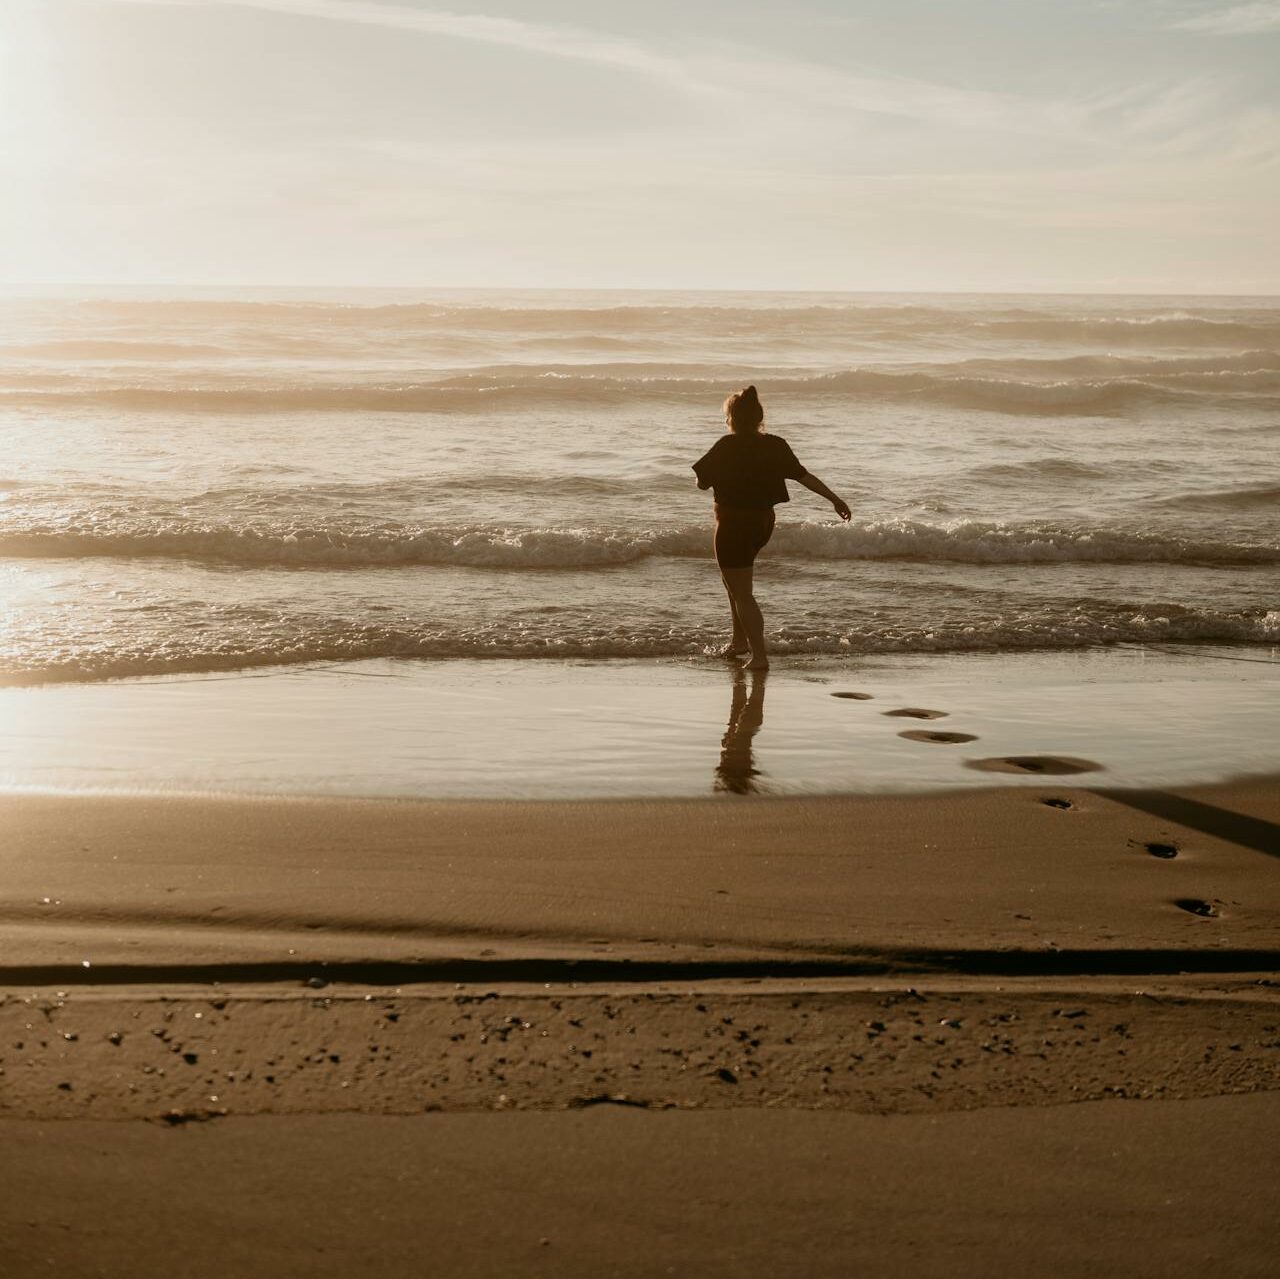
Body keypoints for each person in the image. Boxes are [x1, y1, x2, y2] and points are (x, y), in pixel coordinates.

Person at [692, 385, 850, 670]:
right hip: (762, 523)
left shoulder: (726, 446)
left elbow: (702, 483)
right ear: (759, 417)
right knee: (734, 584)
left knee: (742, 592)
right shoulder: (775, 444)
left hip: (733, 524)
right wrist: (835, 499)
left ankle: (759, 657)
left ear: (732, 418)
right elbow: (804, 476)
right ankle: (738, 642)